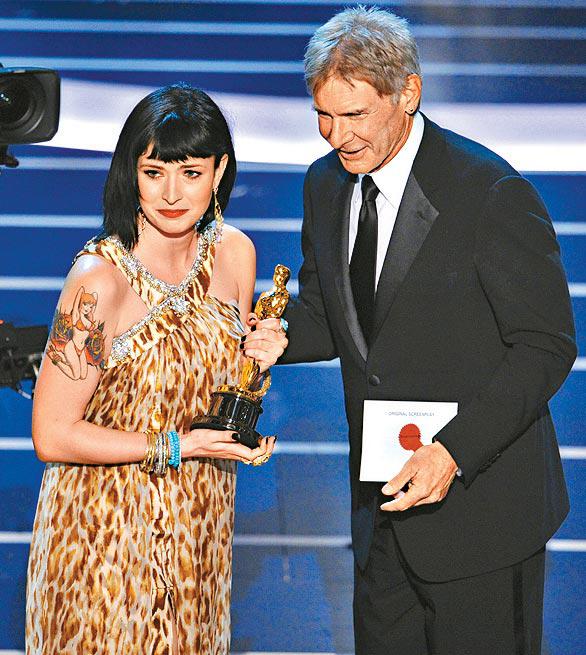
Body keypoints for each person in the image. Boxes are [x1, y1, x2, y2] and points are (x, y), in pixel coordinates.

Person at [244, 7, 576, 654]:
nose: (337, 136)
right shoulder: (325, 184)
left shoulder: (490, 192)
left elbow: (545, 346)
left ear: (409, 93)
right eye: (323, 115)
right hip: (382, 516)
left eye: (354, 114)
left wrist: (451, 452)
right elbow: (331, 314)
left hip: (482, 520)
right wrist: (282, 336)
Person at [26, 83, 286, 654]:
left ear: (219, 172)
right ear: (132, 173)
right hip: (101, 542)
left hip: (200, 534)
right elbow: (52, 434)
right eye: (153, 172)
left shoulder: (236, 254)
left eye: (190, 173)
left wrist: (262, 357)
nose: (171, 193)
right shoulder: (98, 282)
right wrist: (179, 446)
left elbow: (215, 387)